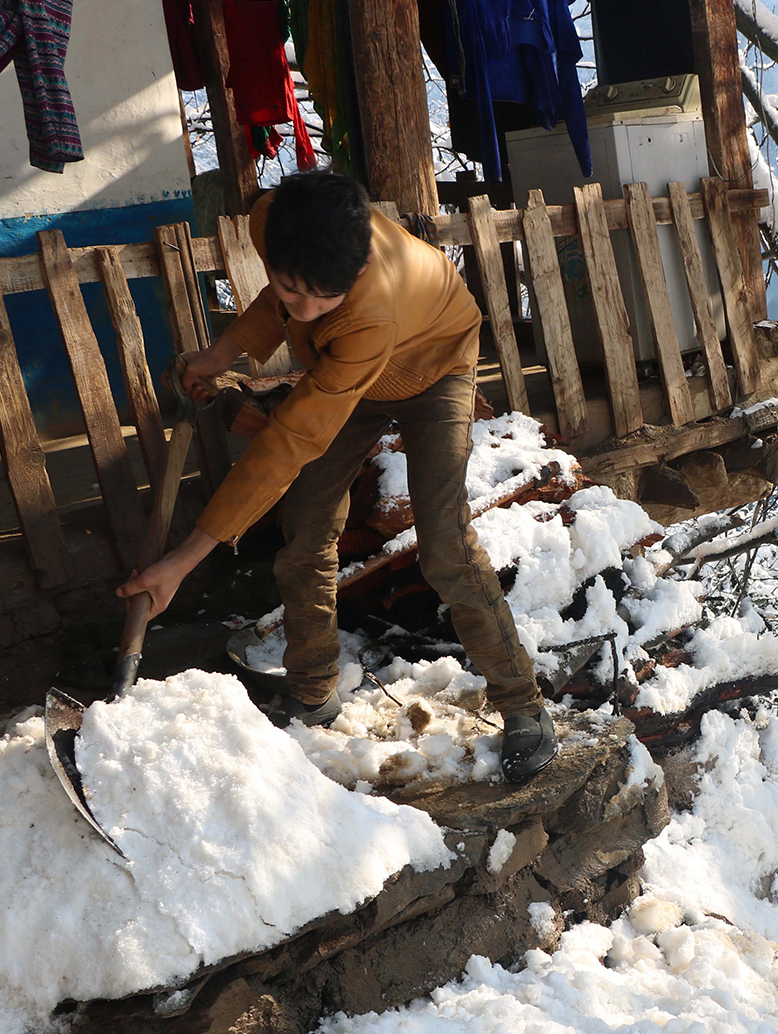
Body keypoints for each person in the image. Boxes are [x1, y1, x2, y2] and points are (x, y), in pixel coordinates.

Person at [117, 170, 558, 783]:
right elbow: (279, 299)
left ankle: (524, 705)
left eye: (311, 299)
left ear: (350, 280)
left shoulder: (369, 316)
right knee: (306, 527)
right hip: (349, 369)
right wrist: (216, 359)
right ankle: (314, 684)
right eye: (286, 285)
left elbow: (289, 441)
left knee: (445, 545)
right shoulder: (278, 214)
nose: (293, 305)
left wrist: (182, 561)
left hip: (433, 365)